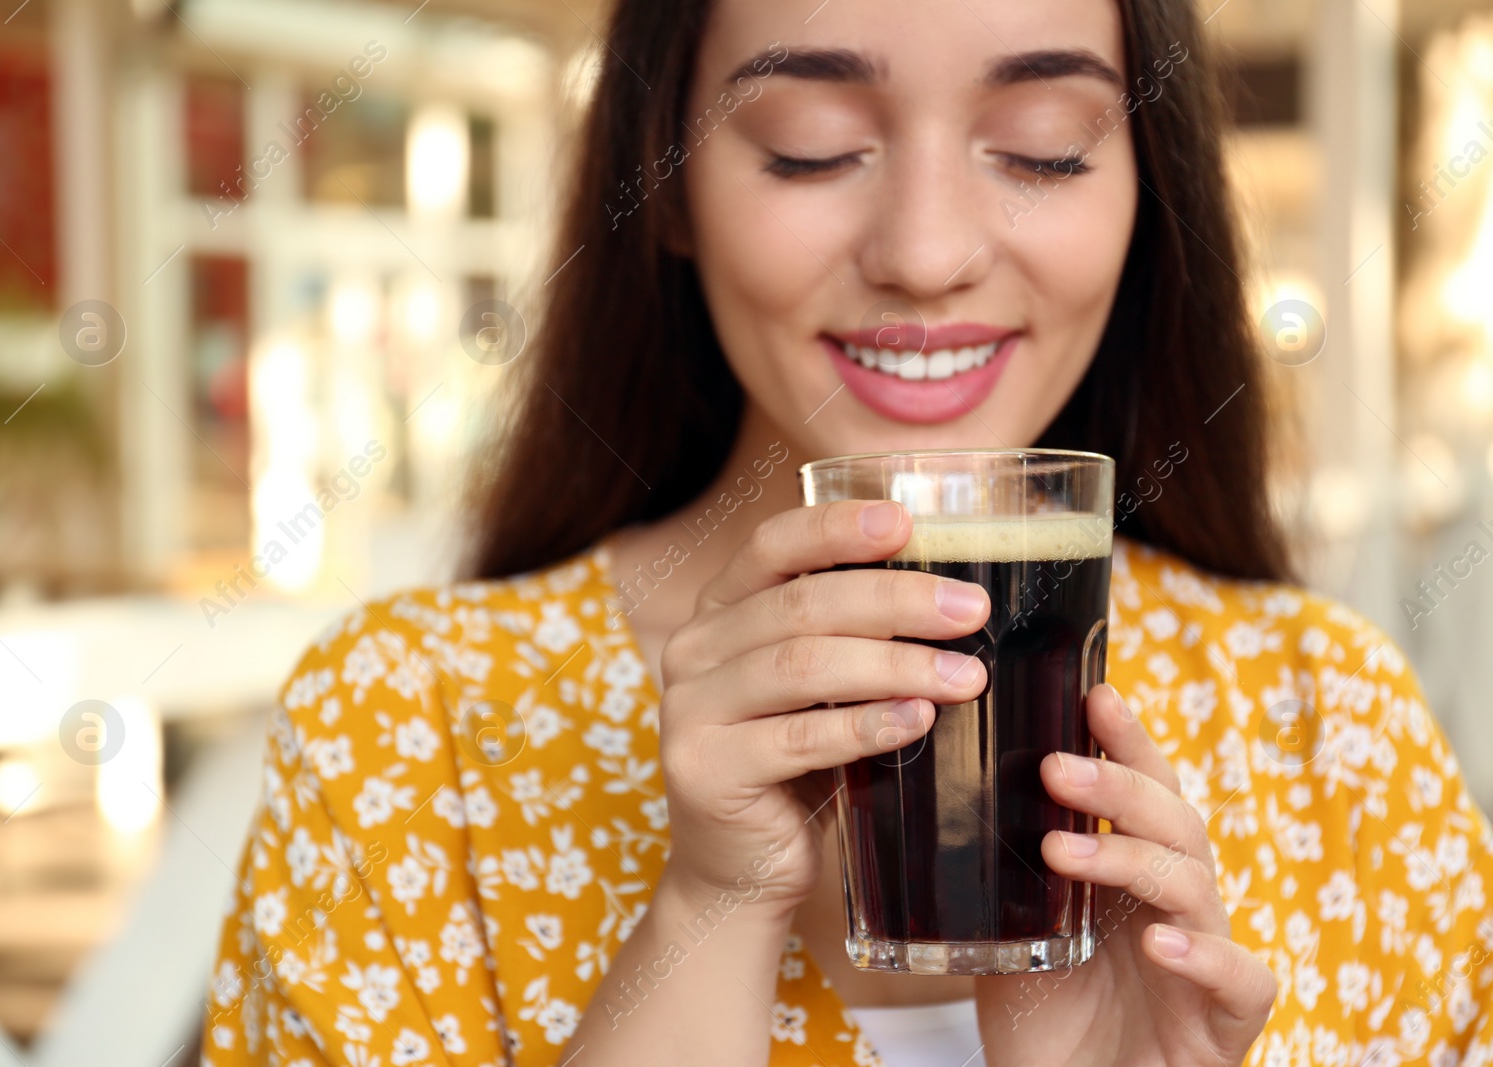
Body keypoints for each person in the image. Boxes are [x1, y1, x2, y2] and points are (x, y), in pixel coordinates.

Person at [202, 0, 1493, 1062]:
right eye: (810, 145)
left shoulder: (1334, 724)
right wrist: (706, 911)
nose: (927, 255)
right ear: (662, 184)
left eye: (1045, 145)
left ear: (1151, 189)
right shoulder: (408, 724)